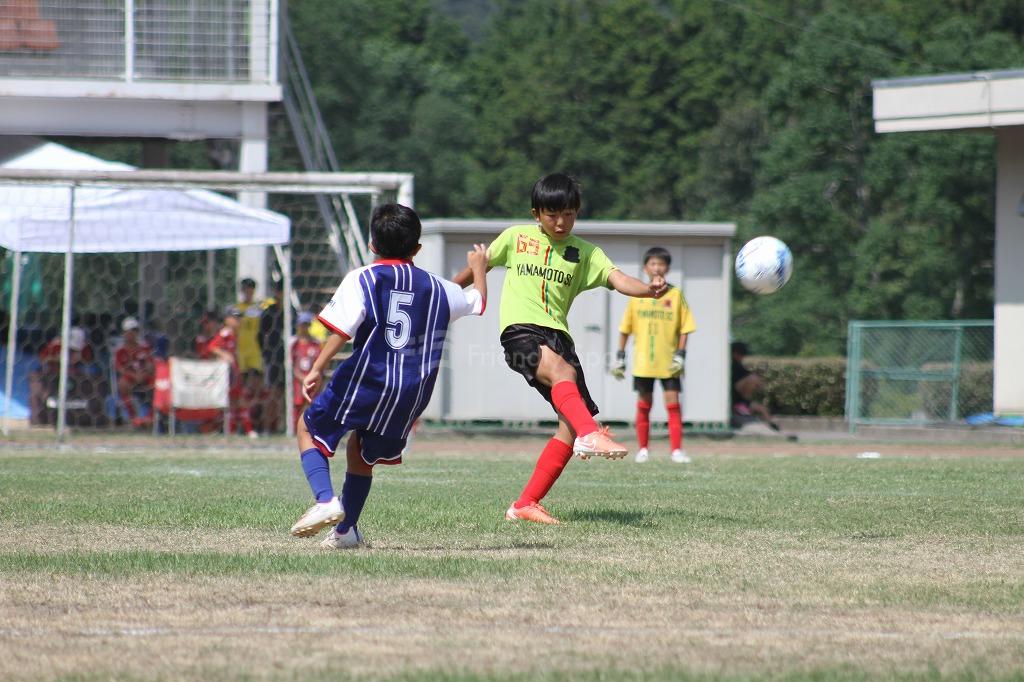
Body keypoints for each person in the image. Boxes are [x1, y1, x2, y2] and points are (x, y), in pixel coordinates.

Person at [453, 172, 668, 525]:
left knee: (568, 425)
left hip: (559, 338)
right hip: (519, 332)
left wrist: (648, 290)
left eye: (568, 214)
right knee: (563, 374)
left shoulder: (586, 253)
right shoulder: (515, 237)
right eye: (552, 215)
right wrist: (444, 292)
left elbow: (618, 279)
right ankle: (591, 434)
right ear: (536, 213)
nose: (560, 222)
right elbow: (477, 268)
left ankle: (525, 504)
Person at [290, 203, 487, 549]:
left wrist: (317, 367)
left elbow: (342, 329)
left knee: (308, 428)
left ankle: (325, 500)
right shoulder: (439, 288)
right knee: (362, 453)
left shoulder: (363, 277)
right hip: (412, 390)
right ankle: (346, 532)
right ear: (417, 248)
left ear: (372, 244)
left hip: (369, 377)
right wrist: (480, 269)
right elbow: (477, 301)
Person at [612, 247, 696, 464]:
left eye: (661, 264)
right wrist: (620, 356)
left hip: (669, 361)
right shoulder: (637, 294)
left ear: (667, 268)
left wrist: (681, 355)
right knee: (644, 404)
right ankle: (643, 450)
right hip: (643, 362)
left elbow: (685, 328)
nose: (657, 267)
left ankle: (676, 450)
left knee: (673, 404)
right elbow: (625, 329)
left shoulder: (676, 294)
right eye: (653, 263)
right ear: (645, 268)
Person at [207, 306, 257, 438]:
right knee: (236, 400)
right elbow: (212, 347)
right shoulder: (225, 333)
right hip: (227, 372)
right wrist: (224, 355)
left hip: (234, 370)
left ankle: (235, 430)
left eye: (239, 318)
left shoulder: (234, 334)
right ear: (227, 319)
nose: (238, 321)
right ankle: (244, 430)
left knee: (237, 400)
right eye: (235, 318)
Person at [731, 341, 788, 435]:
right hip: (733, 400)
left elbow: (746, 374)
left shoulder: (738, 365)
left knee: (763, 409)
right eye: (742, 354)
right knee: (753, 379)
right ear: (735, 353)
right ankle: (741, 407)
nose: (743, 357)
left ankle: (773, 428)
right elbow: (749, 377)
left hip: (740, 399)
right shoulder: (731, 365)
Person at [113, 316, 155, 428]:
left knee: (159, 385)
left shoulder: (144, 347)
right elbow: (119, 368)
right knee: (122, 384)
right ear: (124, 333)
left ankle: (150, 418)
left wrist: (144, 373)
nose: (132, 333)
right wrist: (134, 375)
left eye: (135, 330)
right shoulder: (120, 350)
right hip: (130, 377)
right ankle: (133, 418)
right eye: (129, 331)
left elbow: (151, 365)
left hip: (145, 376)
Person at [259, 281, 286, 433]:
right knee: (272, 391)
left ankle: (282, 425)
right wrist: (265, 353)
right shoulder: (269, 312)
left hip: (287, 356)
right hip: (273, 356)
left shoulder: (290, 311)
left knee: (285, 393)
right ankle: (267, 427)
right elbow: (260, 334)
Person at [290, 310, 321, 432]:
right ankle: (294, 429)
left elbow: (320, 363)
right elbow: (291, 364)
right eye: (302, 325)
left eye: (306, 324)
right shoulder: (294, 344)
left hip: (312, 380)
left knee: (312, 404)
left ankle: (310, 428)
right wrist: (300, 377)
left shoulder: (315, 344)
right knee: (297, 405)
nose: (304, 328)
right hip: (298, 380)